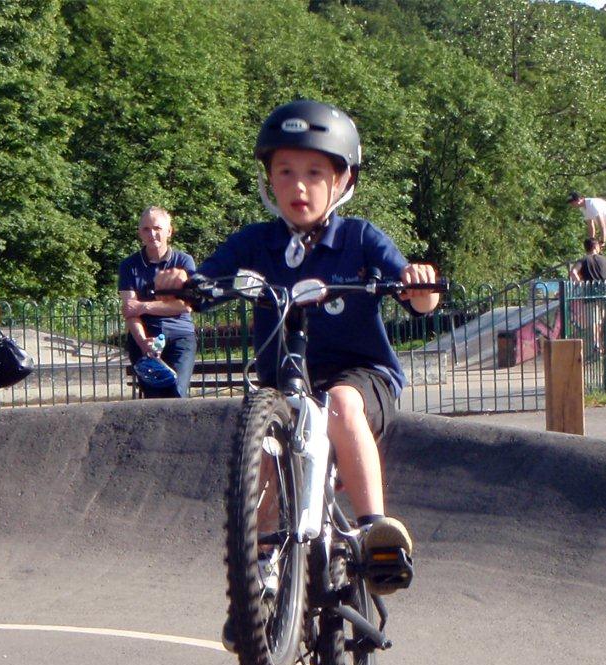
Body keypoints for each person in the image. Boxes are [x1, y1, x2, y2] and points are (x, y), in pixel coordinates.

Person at [156, 100, 440, 616]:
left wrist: (420, 286)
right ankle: (260, 578)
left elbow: (416, 297)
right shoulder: (256, 242)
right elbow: (206, 282)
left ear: (342, 180)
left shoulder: (358, 238)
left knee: (341, 406)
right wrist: (183, 284)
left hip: (359, 375)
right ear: (269, 180)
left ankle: (375, 529)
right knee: (263, 446)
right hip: (284, 386)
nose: (299, 186)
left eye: (314, 173)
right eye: (285, 172)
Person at [118, 206, 197, 398]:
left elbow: (186, 305)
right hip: (145, 336)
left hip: (180, 336)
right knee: (154, 398)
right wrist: (143, 342)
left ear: (169, 231)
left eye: (157, 228)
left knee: (177, 392)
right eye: (146, 229)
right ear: (140, 233)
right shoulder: (129, 266)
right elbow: (130, 310)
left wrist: (144, 306)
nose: (152, 234)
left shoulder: (184, 262)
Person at [569, 238, 606, 353]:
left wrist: (579, 283)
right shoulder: (605, 259)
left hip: (590, 294)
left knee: (594, 320)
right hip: (605, 293)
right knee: (601, 319)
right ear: (595, 247)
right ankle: (601, 342)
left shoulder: (583, 260)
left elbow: (573, 272)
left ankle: (597, 343)